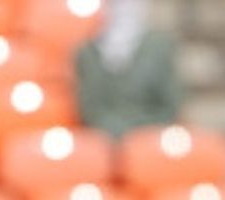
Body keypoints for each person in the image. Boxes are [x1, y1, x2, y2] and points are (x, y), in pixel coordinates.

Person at [72, 0, 181, 137]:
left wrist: (138, 132)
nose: (123, 8)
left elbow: (170, 106)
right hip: (103, 140)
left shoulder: (160, 47)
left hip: (150, 139)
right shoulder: (87, 52)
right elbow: (89, 109)